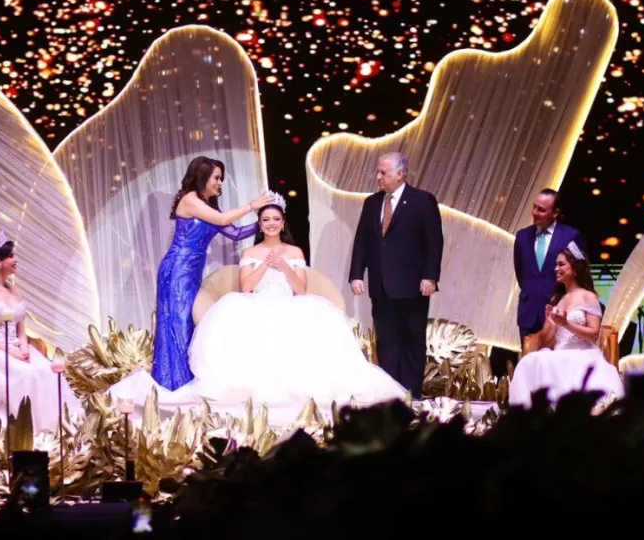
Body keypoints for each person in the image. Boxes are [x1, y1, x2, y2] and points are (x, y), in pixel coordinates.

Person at [107, 193, 406, 411]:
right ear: (260, 225)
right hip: (257, 303)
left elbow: (301, 290)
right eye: (266, 220)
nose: (271, 224)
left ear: (283, 222)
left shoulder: (295, 252)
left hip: (290, 305)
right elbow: (246, 287)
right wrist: (265, 264)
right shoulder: (250, 253)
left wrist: (284, 265)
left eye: (276, 219)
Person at [154, 156, 270, 390]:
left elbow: (235, 233)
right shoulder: (190, 200)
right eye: (217, 178)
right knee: (176, 324)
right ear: (203, 176)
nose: (220, 183)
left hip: (193, 272)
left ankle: (186, 380)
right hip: (176, 269)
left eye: (221, 179)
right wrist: (252, 206)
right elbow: (222, 219)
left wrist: (264, 225)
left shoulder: (209, 207)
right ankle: (173, 385)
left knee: (189, 323)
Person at [0, 233, 81, 431]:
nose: (15, 260)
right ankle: (28, 425)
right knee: (28, 374)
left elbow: (21, 330)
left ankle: (55, 424)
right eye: (10, 256)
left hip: (18, 347)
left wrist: (24, 349)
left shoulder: (15, 290)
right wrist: (9, 351)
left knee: (48, 370)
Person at [348, 152, 444, 397]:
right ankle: (391, 393)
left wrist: (430, 277)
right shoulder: (372, 203)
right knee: (386, 341)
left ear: (400, 174)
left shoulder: (422, 200)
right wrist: (357, 274)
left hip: (413, 285)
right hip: (381, 285)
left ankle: (411, 395)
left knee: (412, 339)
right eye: (378, 172)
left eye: (383, 172)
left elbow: (434, 242)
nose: (378, 177)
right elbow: (362, 241)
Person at [508, 242, 623, 408]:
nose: (556, 269)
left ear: (574, 269)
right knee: (529, 362)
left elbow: (593, 335)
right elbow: (545, 342)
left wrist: (567, 324)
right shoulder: (556, 299)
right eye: (556, 265)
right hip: (558, 353)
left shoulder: (588, 297)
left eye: (561, 264)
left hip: (583, 354)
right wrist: (551, 322)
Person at [512, 189, 587, 354]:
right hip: (528, 313)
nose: (535, 212)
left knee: (557, 365)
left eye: (541, 209)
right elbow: (521, 274)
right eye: (534, 207)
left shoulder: (570, 236)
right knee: (529, 363)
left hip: (560, 314)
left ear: (556, 213)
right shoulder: (522, 237)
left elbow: (581, 274)